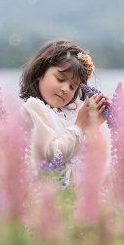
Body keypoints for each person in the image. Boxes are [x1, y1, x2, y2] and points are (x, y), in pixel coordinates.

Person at [19, 40, 111, 180]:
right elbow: (51, 156)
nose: (65, 89)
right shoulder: (34, 108)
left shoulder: (73, 111)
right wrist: (80, 126)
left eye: (73, 87)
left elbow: (86, 156)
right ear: (39, 72)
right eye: (60, 79)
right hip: (48, 194)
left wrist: (92, 125)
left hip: (74, 196)